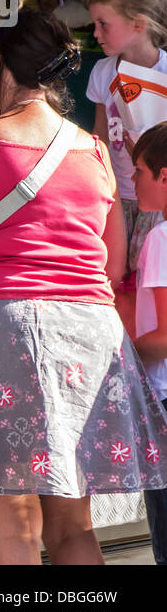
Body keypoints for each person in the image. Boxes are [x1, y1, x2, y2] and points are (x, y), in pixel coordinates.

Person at [0, 10, 167, 565]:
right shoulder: (94, 153)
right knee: (73, 529)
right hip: (90, 337)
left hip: (2, 335)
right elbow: (111, 263)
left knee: (16, 534)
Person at [85, 0, 167, 327]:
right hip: (117, 198)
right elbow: (99, 140)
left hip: (157, 203)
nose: (96, 34)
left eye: (104, 24)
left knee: (152, 280)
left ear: (138, 24)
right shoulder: (103, 73)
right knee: (115, 280)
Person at [128, 123, 167, 565]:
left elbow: (165, 337)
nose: (133, 180)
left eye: (139, 171)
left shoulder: (160, 238)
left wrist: (118, 356)